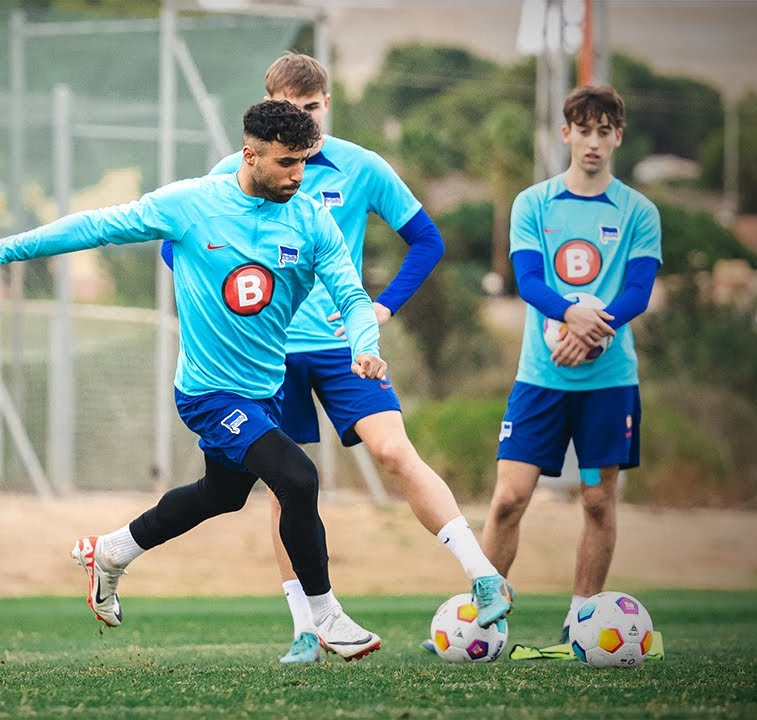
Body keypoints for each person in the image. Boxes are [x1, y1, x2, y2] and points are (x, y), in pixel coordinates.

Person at [0, 100, 396, 664]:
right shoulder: (191, 205)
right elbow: (95, 226)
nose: (298, 175)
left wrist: (365, 344)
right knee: (298, 477)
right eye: (286, 163)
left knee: (223, 496)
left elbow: (352, 296)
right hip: (208, 394)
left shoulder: (310, 218)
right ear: (249, 154)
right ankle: (326, 614)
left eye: (304, 162)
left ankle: (111, 551)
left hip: (264, 392)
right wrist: (1, 250)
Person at [161, 53, 514, 662]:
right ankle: (306, 628)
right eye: (291, 108)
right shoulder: (233, 170)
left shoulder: (363, 167)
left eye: (313, 107)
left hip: (342, 347)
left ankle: (482, 573)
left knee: (395, 451)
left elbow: (428, 240)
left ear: (328, 104)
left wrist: (383, 309)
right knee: (285, 490)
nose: (303, 119)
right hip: (267, 357)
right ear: (268, 110)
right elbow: (175, 247)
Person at [473, 84, 662, 649]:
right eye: (584, 130)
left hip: (608, 378)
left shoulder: (638, 211)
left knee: (598, 501)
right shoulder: (533, 203)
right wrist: (573, 316)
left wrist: (594, 333)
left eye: (605, 132)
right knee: (509, 498)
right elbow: (529, 281)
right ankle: (486, 616)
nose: (594, 143)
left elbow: (639, 291)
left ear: (618, 138)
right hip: (541, 375)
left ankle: (582, 622)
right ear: (566, 134)